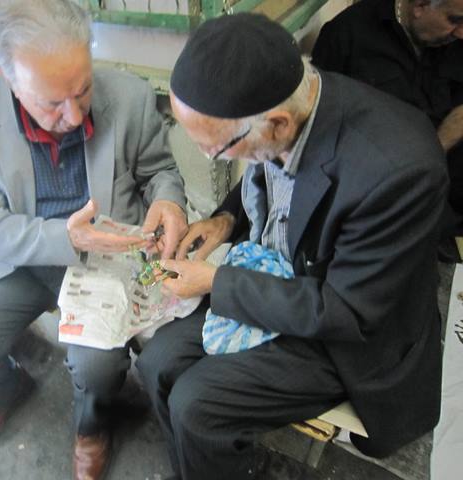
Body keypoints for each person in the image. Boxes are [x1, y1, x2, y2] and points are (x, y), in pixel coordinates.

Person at [136, 13, 447, 480]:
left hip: (340, 331)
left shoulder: (400, 173)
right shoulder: (285, 102)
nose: (209, 157)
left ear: (278, 124)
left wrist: (216, 281)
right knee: (157, 362)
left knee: (198, 406)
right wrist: (225, 220)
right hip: (271, 275)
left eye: (215, 151)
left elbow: (346, 313)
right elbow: (266, 172)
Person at [0, 0, 187, 478]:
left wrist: (170, 203)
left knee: (97, 367)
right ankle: (3, 394)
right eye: (52, 103)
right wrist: (67, 238)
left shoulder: (130, 97)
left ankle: (92, 427)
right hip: (25, 260)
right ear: (9, 79)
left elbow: (160, 172)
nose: (73, 115)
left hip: (106, 262)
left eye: (83, 89)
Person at [312, 0, 463, 220]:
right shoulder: (348, 35)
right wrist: (442, 140)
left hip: (448, 177)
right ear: (420, 6)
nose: (460, 33)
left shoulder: (454, 41)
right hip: (385, 183)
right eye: (454, 20)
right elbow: (322, 132)